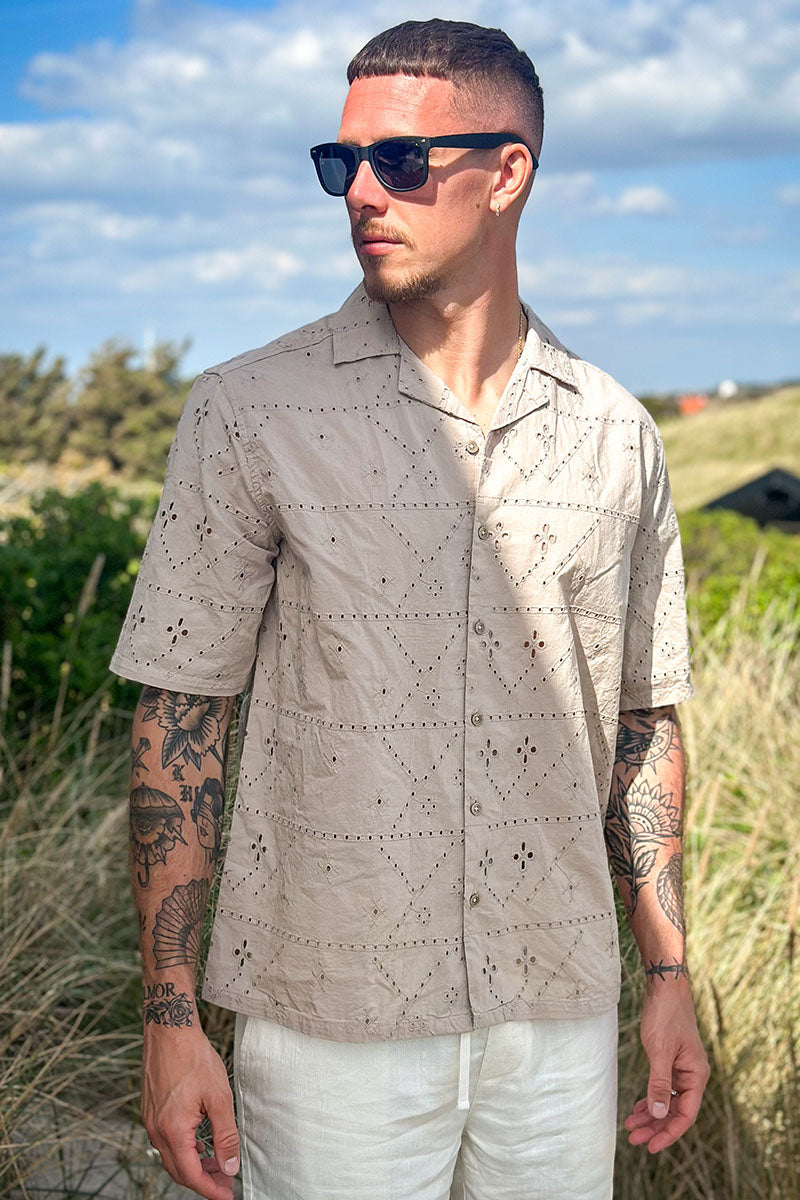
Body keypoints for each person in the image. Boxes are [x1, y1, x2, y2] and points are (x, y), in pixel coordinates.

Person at [111, 17, 710, 1200]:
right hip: (327, 1025)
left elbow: (642, 726)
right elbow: (179, 724)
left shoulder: (614, 434)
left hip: (557, 1019)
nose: (359, 192)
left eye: (399, 161)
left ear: (507, 172)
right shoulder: (248, 412)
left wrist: (666, 975)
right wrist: (170, 1023)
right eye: (340, 163)